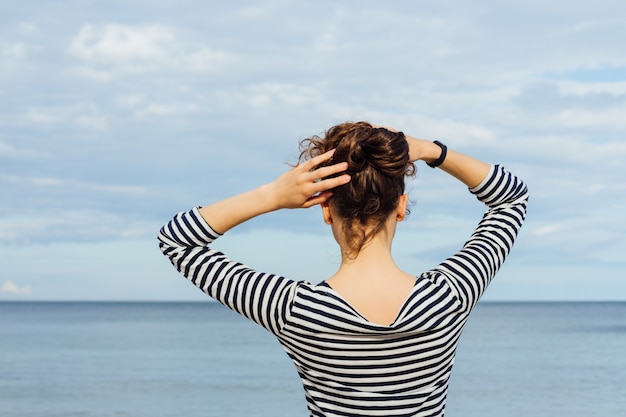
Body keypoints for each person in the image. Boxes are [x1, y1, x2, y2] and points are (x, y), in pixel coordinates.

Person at [158, 121, 529, 417]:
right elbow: (512, 198)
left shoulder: (293, 308)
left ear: (325, 209)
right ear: (400, 206)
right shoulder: (449, 295)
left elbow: (175, 239)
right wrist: (433, 151)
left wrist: (272, 195)